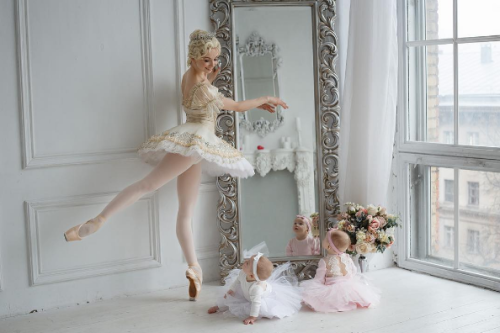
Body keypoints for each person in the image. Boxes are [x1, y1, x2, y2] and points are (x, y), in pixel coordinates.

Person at [63, 29, 288, 301]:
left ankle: (194, 268)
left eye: (215, 60)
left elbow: (202, 85)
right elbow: (237, 105)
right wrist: (266, 98)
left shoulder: (191, 77)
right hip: (196, 140)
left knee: (185, 212)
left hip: (193, 141)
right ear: (193, 58)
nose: (212, 65)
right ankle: (96, 221)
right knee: (148, 185)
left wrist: (209, 74)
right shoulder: (204, 86)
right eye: (206, 59)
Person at [207, 253, 302, 325]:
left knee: (258, 306)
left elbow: (256, 303)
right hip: (246, 291)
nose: (245, 261)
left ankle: (251, 313)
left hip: (260, 297)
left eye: (247, 263)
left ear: (251, 275)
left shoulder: (256, 289)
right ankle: (219, 306)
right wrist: (232, 289)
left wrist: (252, 317)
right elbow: (237, 281)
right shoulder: (243, 273)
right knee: (229, 295)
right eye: (247, 260)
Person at [301, 229, 381, 312]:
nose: (323, 239)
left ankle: (336, 303)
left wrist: (316, 289)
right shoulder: (347, 257)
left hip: (332, 287)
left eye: (325, 239)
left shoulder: (324, 261)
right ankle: (349, 301)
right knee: (350, 295)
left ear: (328, 246)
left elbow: (319, 279)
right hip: (348, 286)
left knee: (317, 297)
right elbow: (353, 271)